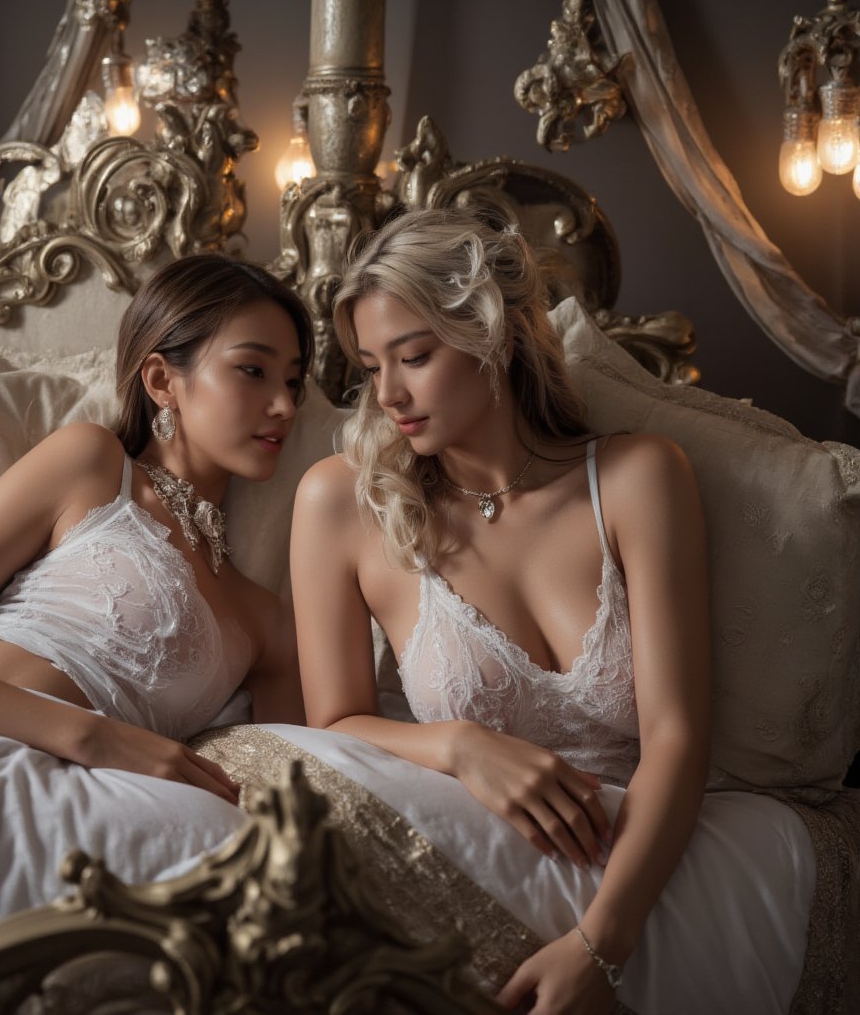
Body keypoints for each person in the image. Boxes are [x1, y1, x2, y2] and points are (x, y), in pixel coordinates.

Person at [289, 209, 813, 1014]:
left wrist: (601, 945)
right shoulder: (343, 502)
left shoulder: (639, 478)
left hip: (639, 869)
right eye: (370, 366)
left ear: (492, 338)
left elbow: (678, 736)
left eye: (415, 357)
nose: (387, 394)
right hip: (456, 858)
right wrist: (463, 746)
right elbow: (334, 722)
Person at [0, 254, 313, 1010]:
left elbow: (294, 795)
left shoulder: (265, 618)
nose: (285, 405)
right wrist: (95, 737)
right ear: (162, 381)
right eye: (254, 372)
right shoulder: (91, 464)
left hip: (60, 815)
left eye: (293, 380)